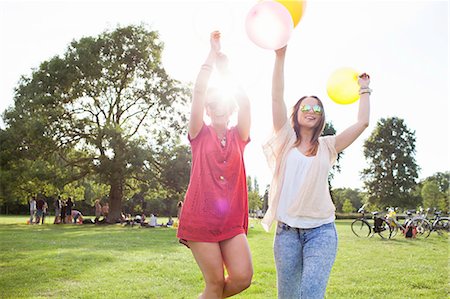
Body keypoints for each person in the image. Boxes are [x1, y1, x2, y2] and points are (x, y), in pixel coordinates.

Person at [262, 45, 371, 298]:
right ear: (296, 113)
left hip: (321, 232)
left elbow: (362, 122)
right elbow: (276, 97)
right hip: (286, 232)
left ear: (322, 117)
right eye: (306, 107)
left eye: (317, 108)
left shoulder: (328, 146)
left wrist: (364, 88)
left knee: (311, 293)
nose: (312, 111)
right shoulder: (285, 139)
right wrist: (280, 56)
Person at [176, 31, 253, 298]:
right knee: (215, 283)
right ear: (207, 109)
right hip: (200, 217)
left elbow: (245, 102)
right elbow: (198, 91)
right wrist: (212, 54)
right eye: (212, 104)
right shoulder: (199, 134)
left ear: (230, 109)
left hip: (231, 219)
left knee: (243, 278)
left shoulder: (239, 137)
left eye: (223, 102)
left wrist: (226, 70)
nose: (218, 107)